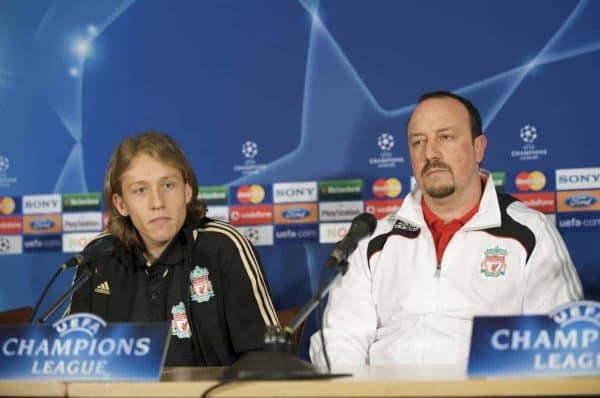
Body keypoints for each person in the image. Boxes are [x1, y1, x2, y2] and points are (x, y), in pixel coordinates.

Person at [310, 91, 583, 366]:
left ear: (479, 148)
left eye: (446, 137)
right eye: (418, 142)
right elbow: (341, 340)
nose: (430, 153)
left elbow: (563, 340)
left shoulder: (530, 232)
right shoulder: (373, 241)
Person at [68, 131, 279, 366]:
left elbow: (267, 356)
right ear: (121, 204)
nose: (157, 203)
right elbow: (68, 355)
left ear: (187, 191)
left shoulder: (223, 246)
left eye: (168, 185)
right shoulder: (99, 257)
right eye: (141, 190)